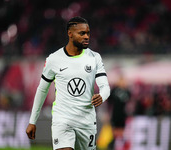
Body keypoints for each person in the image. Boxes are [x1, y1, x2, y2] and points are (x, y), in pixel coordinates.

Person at [26, 16, 110, 150]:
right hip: (63, 120)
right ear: (70, 34)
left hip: (86, 121)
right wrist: (32, 121)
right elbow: (42, 90)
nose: (87, 36)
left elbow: (105, 86)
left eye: (88, 33)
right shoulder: (54, 59)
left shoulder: (94, 57)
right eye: (82, 33)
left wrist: (102, 96)